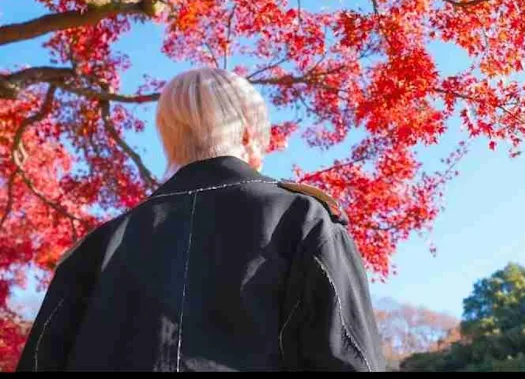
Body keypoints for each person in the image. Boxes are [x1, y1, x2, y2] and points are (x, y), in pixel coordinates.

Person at [16, 67, 385, 372]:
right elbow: (350, 358)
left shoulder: (97, 247)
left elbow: (39, 362)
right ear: (247, 130)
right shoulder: (304, 219)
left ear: (168, 139)